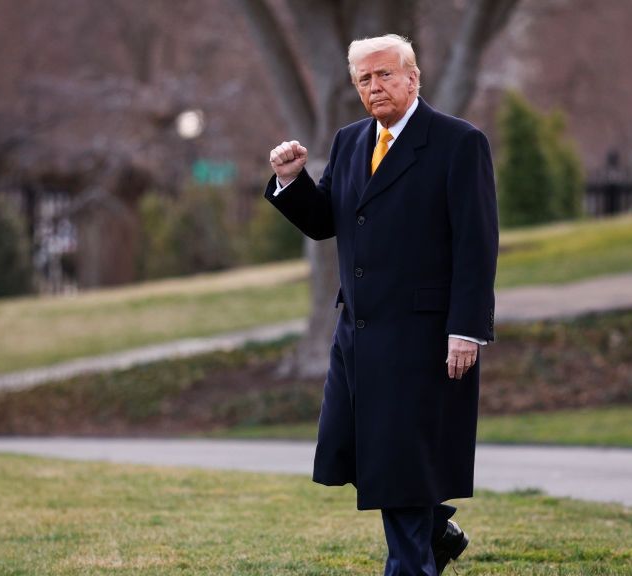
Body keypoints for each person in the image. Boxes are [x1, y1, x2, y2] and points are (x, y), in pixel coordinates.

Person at [265, 34, 498, 576]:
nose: (375, 86)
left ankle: (411, 563)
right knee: (359, 451)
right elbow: (328, 222)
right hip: (359, 334)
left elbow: (476, 243)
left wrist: (466, 329)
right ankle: (437, 532)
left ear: (413, 77)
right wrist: (290, 181)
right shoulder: (349, 142)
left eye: (385, 75)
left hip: (424, 337)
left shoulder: (457, 143)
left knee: (401, 462)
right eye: (364, 79)